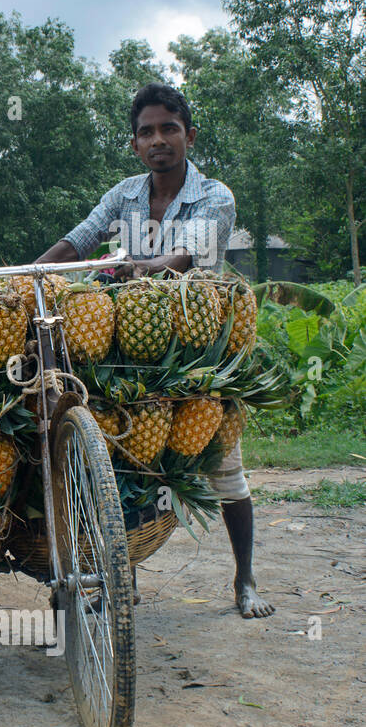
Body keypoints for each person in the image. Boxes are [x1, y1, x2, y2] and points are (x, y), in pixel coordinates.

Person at [36, 82, 266, 619]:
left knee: (225, 471)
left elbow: (189, 254)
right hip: (128, 350)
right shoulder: (124, 195)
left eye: (169, 128)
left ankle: (245, 578)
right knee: (121, 457)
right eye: (147, 132)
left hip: (194, 351)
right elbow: (80, 239)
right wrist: (34, 273)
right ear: (135, 144)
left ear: (188, 134)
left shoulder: (215, 196)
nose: (158, 139)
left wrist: (139, 268)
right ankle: (123, 571)